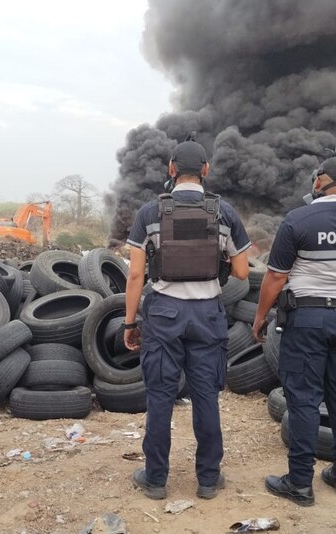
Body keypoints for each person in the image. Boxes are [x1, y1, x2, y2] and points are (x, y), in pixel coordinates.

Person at [252, 156, 336, 506]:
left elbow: (276, 276)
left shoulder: (298, 220)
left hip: (307, 319)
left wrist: (260, 316)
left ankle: (299, 484)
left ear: (318, 182)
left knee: (305, 399)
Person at [123, 137, 251, 500]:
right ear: (206, 171)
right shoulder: (224, 213)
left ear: (171, 169)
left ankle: (156, 479)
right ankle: (208, 479)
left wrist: (130, 323)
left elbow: (135, 275)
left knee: (161, 396)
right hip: (207, 314)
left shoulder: (150, 212)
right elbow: (242, 272)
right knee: (205, 395)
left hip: (164, 313)